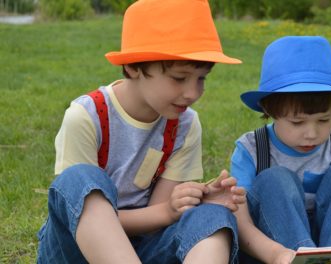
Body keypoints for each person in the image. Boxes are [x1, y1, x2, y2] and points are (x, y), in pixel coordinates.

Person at [36, 0, 246, 263]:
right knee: (78, 178)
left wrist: (191, 202)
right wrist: (168, 212)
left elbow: (157, 218)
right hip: (76, 249)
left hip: (143, 249)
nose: (193, 93)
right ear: (134, 66)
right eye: (179, 78)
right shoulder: (86, 117)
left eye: (201, 78)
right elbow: (75, 210)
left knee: (214, 216)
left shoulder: (185, 124)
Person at [230, 36, 331, 263]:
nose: (311, 133)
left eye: (324, 120)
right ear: (268, 108)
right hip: (275, 251)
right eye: (297, 122)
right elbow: (239, 222)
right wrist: (276, 254)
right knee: (274, 179)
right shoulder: (251, 148)